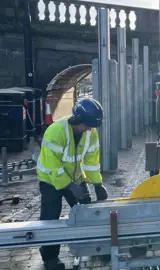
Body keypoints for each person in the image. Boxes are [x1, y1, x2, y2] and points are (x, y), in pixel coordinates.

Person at [36, 98, 108, 270]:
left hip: (75, 178)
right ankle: (50, 257)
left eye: (92, 126)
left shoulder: (91, 133)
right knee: (50, 218)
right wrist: (69, 187)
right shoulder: (56, 132)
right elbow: (54, 168)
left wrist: (97, 184)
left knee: (88, 213)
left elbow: (91, 161)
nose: (90, 129)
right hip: (50, 181)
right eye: (88, 125)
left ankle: (95, 246)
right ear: (76, 120)